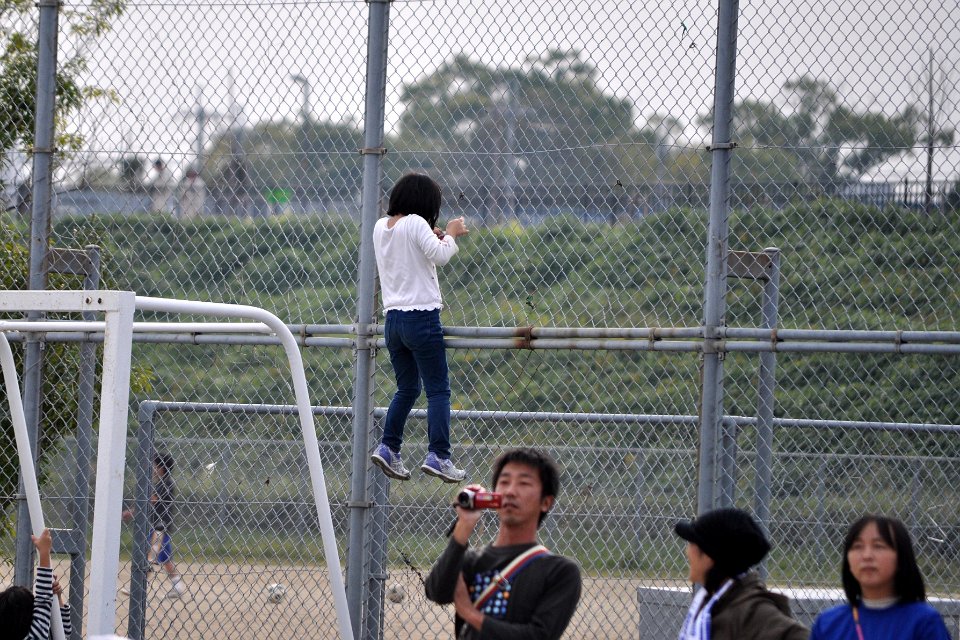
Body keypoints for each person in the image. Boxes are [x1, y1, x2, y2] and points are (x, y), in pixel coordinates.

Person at [370, 172, 470, 483]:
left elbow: (413, 251)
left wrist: (433, 234)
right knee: (437, 389)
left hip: (394, 321)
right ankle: (439, 455)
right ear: (425, 204)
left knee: (408, 388)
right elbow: (440, 256)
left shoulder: (382, 226)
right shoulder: (415, 222)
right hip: (422, 317)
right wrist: (451, 234)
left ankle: (389, 447)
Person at [425, 448, 582, 639]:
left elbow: (538, 636)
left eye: (524, 483)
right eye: (504, 482)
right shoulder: (472, 560)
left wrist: (470, 614)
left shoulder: (559, 571)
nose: (510, 491)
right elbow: (437, 592)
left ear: (546, 502)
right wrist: (464, 525)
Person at [674, 507, 808, 640]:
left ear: (709, 556)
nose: (687, 552)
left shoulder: (752, 612)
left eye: (692, 544)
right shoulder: (713, 603)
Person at [809, 515, 950, 640]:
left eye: (878, 546)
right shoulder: (828, 624)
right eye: (858, 546)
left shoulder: (924, 623)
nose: (867, 555)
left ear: (901, 557)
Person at [121, 452, 187, 599]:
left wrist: (131, 512)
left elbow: (151, 500)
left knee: (150, 556)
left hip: (160, 527)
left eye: (155, 466)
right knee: (165, 558)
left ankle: (138, 586)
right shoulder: (162, 483)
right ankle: (177, 586)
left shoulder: (165, 483)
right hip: (159, 526)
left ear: (162, 467)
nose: (153, 469)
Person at [0, 528, 73, 640]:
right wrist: (44, 552)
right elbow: (43, 599)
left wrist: (57, 598)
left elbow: (62, 633)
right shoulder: (35, 636)